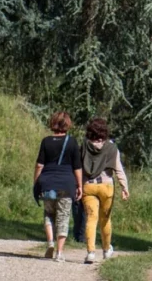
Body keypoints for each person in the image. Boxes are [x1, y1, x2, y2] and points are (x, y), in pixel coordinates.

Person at [33, 111, 83, 262]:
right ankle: (59, 252)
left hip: (47, 183)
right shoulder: (72, 142)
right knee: (63, 217)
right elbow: (77, 167)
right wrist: (79, 185)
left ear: (53, 123)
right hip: (66, 185)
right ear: (67, 124)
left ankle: (50, 243)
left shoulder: (46, 141)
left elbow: (39, 165)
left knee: (48, 214)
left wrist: (36, 182)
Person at [81, 117, 129, 264]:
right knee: (105, 219)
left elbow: (78, 167)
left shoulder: (84, 146)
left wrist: (76, 184)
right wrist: (124, 187)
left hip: (88, 185)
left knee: (91, 218)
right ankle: (107, 250)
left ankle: (90, 253)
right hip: (106, 186)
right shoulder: (111, 148)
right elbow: (118, 169)